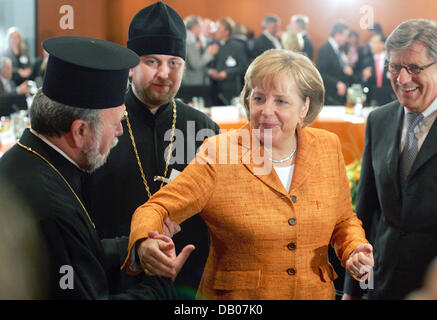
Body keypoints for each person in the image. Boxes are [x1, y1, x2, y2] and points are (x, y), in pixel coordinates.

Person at [122, 49, 374, 300]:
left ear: (304, 107)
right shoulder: (219, 153)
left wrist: (354, 248)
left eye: (281, 101)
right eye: (259, 98)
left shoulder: (328, 146)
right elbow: (155, 208)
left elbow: (343, 220)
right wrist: (145, 242)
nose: (266, 111)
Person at [0, 36, 188, 299]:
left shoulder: (24, 160)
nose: (120, 131)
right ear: (80, 131)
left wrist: (134, 249)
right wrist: (161, 282)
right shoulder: (53, 209)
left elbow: (73, 254)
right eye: (116, 122)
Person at [83, 2, 220, 299]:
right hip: (114, 280)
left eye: (174, 63)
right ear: (131, 66)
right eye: (152, 61)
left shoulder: (204, 128)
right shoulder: (98, 123)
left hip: (187, 281)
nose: (164, 73)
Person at [343, 19, 437, 300]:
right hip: (381, 284)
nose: (402, 78)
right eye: (395, 67)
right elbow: (366, 211)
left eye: (415, 68)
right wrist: (354, 290)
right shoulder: (379, 120)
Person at [208, 17, 249, 105]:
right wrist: (211, 71)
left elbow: (243, 67)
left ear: (226, 32)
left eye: (218, 28)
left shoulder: (237, 47)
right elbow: (207, 64)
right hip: (213, 88)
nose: (216, 31)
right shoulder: (212, 45)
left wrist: (227, 73)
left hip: (231, 88)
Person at [317, 21, 354, 105]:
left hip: (340, 94)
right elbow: (321, 73)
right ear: (337, 34)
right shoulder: (325, 49)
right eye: (346, 35)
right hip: (330, 95)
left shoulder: (340, 49)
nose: (347, 39)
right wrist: (336, 83)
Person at [360, 32, 396, 106]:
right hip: (372, 97)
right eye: (371, 42)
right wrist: (364, 77)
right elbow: (360, 80)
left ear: (383, 44)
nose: (371, 45)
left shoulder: (391, 60)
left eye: (374, 42)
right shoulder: (366, 61)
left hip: (389, 97)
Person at [182, 15, 219, 86]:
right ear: (194, 27)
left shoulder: (188, 38)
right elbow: (196, 64)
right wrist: (209, 53)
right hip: (192, 82)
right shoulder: (190, 41)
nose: (201, 29)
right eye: (200, 26)